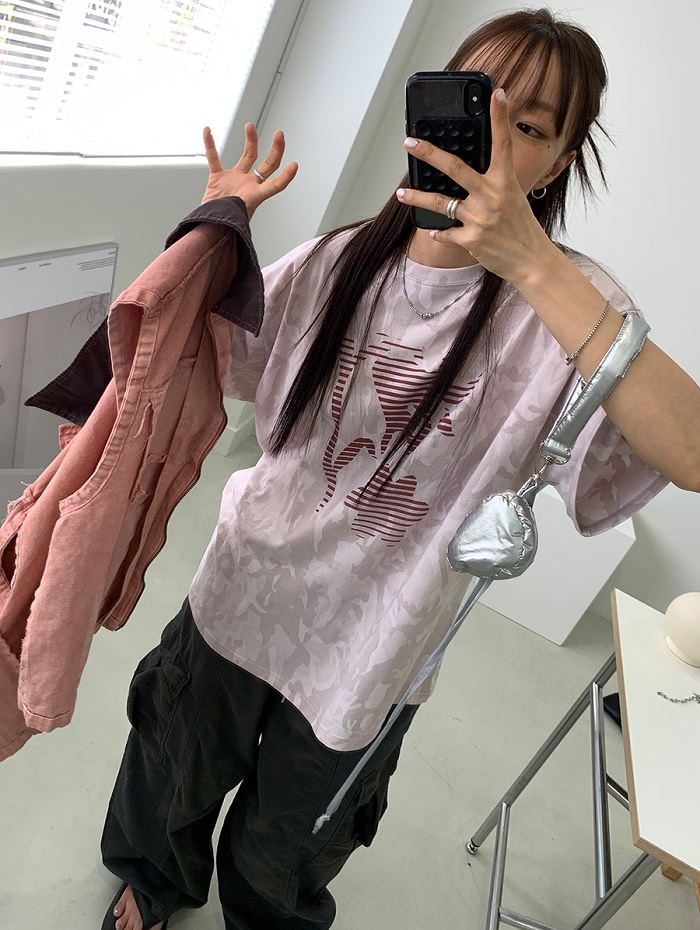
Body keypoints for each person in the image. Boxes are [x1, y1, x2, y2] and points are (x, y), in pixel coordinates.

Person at [101, 8, 695, 930]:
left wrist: (531, 262)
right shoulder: (344, 258)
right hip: (245, 586)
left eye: (527, 126)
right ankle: (152, 882)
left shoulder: (574, 311)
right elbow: (190, 359)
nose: (489, 135)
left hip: (375, 646)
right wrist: (213, 233)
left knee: (290, 845)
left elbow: (690, 451)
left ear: (558, 163)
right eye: (474, 100)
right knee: (172, 766)